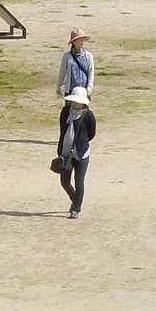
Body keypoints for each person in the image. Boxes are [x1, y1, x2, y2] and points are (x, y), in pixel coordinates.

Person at [56, 87, 96, 218]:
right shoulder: (66, 111)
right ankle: (76, 200)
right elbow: (62, 129)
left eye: (78, 101)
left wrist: (81, 143)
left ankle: (76, 209)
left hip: (81, 153)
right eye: (73, 101)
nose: (75, 103)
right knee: (64, 182)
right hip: (66, 153)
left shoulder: (88, 115)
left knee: (79, 181)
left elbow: (91, 133)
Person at [57, 28, 94, 98]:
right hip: (70, 91)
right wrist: (58, 87)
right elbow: (62, 72)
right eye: (80, 39)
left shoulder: (88, 56)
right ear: (74, 42)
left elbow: (90, 72)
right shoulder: (67, 56)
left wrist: (89, 88)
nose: (82, 41)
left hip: (84, 91)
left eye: (84, 38)